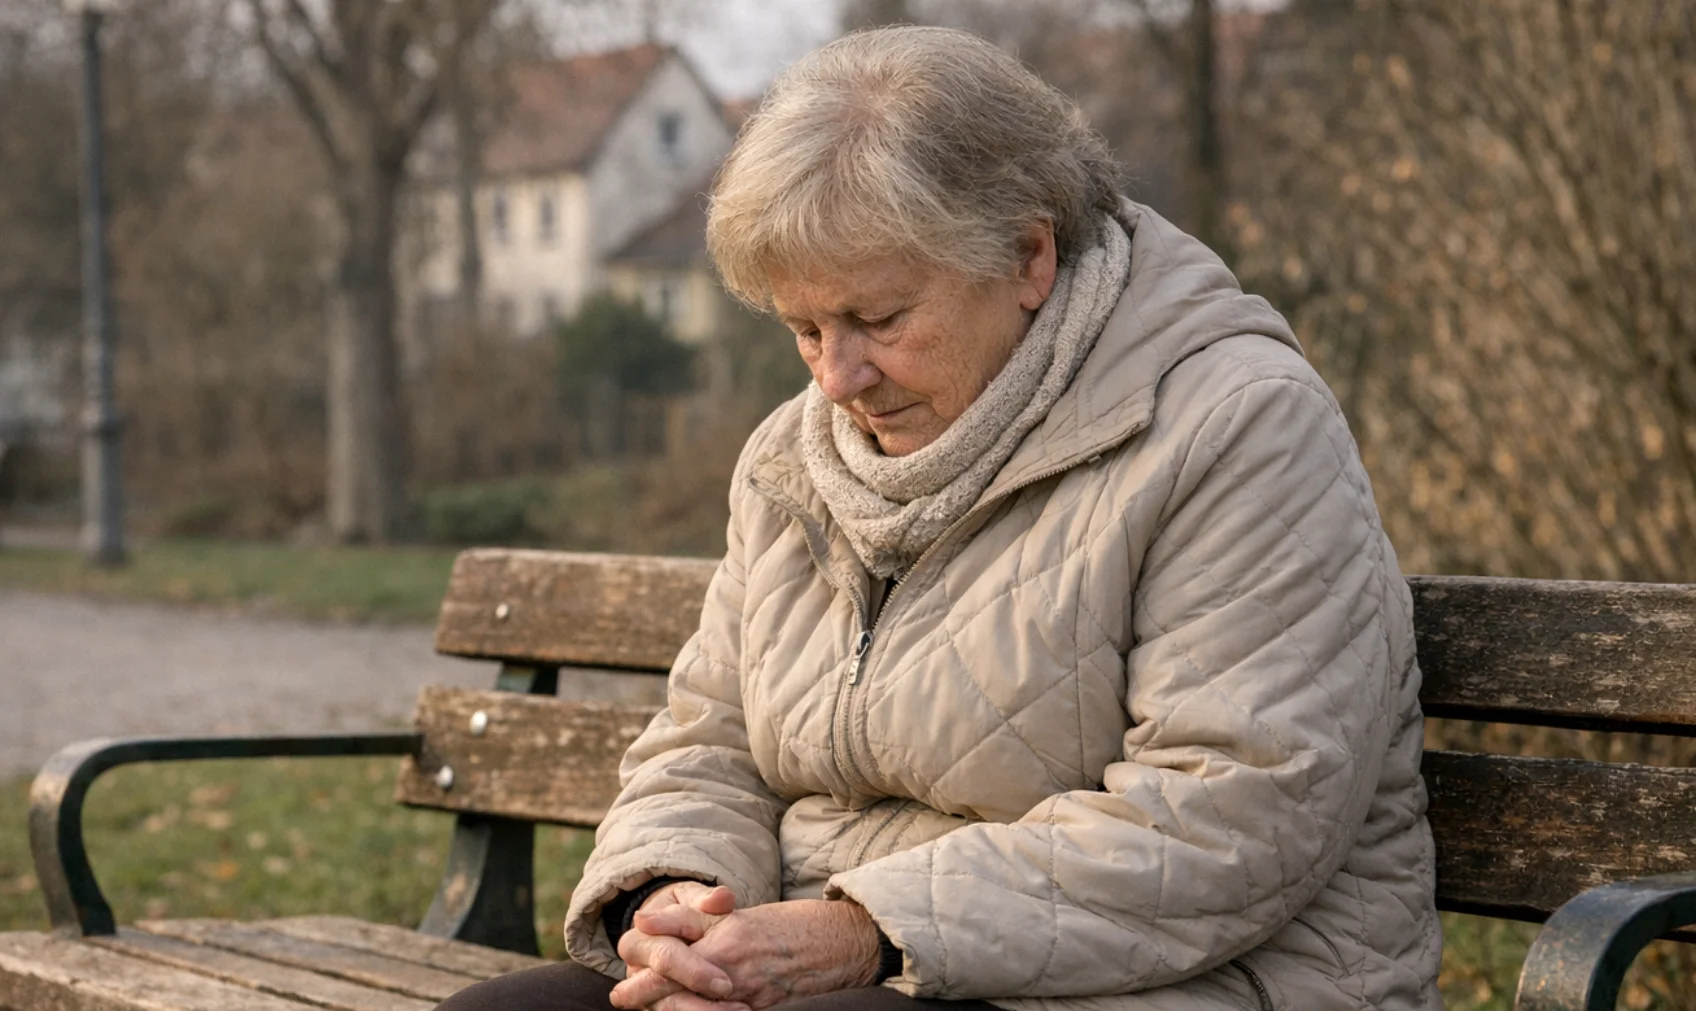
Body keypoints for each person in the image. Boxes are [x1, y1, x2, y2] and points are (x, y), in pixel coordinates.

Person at [436, 25, 1441, 1011]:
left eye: (879, 320)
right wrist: (677, 903)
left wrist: (866, 932)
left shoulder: (1235, 426)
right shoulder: (794, 459)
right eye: (805, 329)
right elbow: (708, 742)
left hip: (1185, 974)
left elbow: (1238, 813)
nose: (838, 377)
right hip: (826, 959)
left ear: (1027, 257)